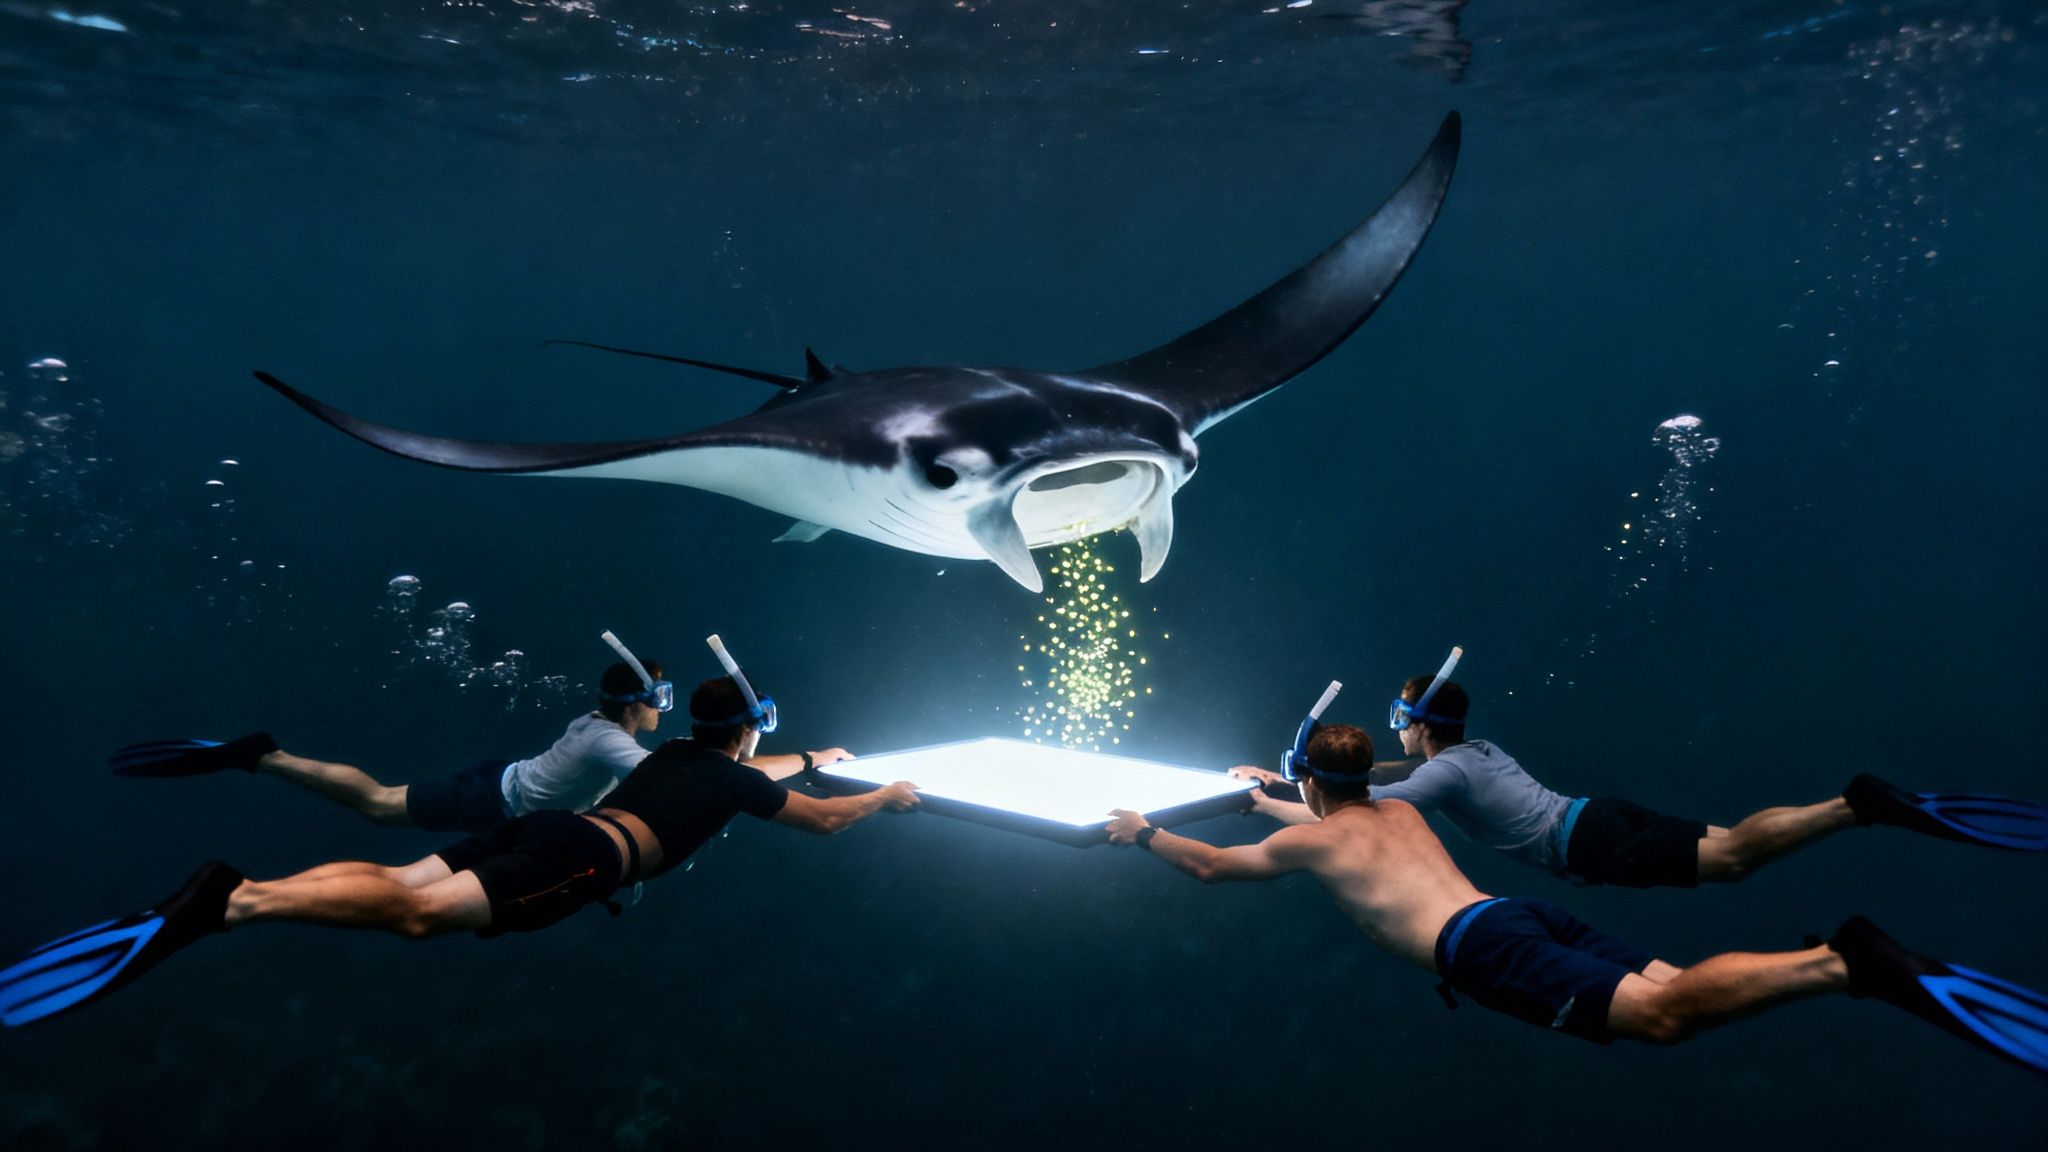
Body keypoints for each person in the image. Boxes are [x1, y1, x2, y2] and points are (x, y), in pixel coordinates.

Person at [1110, 719, 2048, 1073]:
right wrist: (1262, 792)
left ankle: (1848, 965)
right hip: (1514, 916)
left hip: (1487, 952)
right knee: (1679, 984)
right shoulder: (1396, 816)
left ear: (1307, 785)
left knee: (1665, 1018)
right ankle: (1833, 953)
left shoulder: (1316, 838)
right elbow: (1320, 815)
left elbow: (1211, 866)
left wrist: (1142, 832)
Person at [0, 675, 917, 1027]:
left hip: (544, 827)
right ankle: (233, 903)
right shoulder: (733, 777)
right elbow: (822, 819)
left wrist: (814, 756)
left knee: (399, 867)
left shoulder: (681, 755)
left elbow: (747, 771)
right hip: (582, 860)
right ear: (748, 735)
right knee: (417, 916)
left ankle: (242, 887)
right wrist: (885, 793)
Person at [1232, 650, 2048, 888]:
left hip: (1588, 845)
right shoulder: (1477, 752)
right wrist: (1280, 782)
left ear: (1416, 726)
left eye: (1399, 721)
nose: (1393, 732)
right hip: (1596, 814)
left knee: (1730, 861)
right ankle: (1849, 806)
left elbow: (1359, 814)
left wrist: (1270, 799)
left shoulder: (1443, 777)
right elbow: (1363, 787)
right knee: (1729, 844)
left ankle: (1854, 806)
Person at [107, 633, 853, 835]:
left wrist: (790, 755)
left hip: (498, 781)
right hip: (493, 801)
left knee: (381, 799)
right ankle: (264, 755)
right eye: (658, 696)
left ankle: (263, 755)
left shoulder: (596, 724)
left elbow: (703, 771)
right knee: (374, 806)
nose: (664, 705)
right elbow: (697, 779)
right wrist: (811, 760)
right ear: (642, 702)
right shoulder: (607, 743)